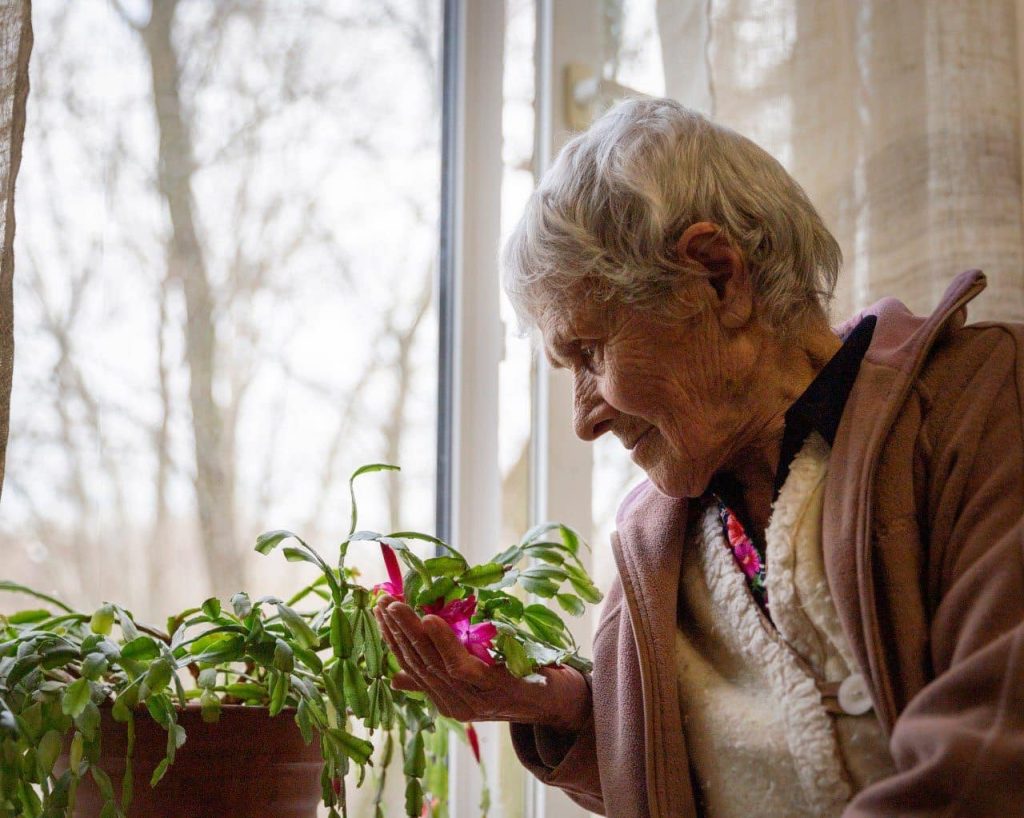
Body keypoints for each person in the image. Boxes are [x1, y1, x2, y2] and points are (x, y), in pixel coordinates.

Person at [375, 98, 1024, 817]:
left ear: (718, 278)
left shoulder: (984, 406)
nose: (585, 419)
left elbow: (989, 758)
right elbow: (694, 769)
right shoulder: (658, 547)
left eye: (589, 353)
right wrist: (556, 707)